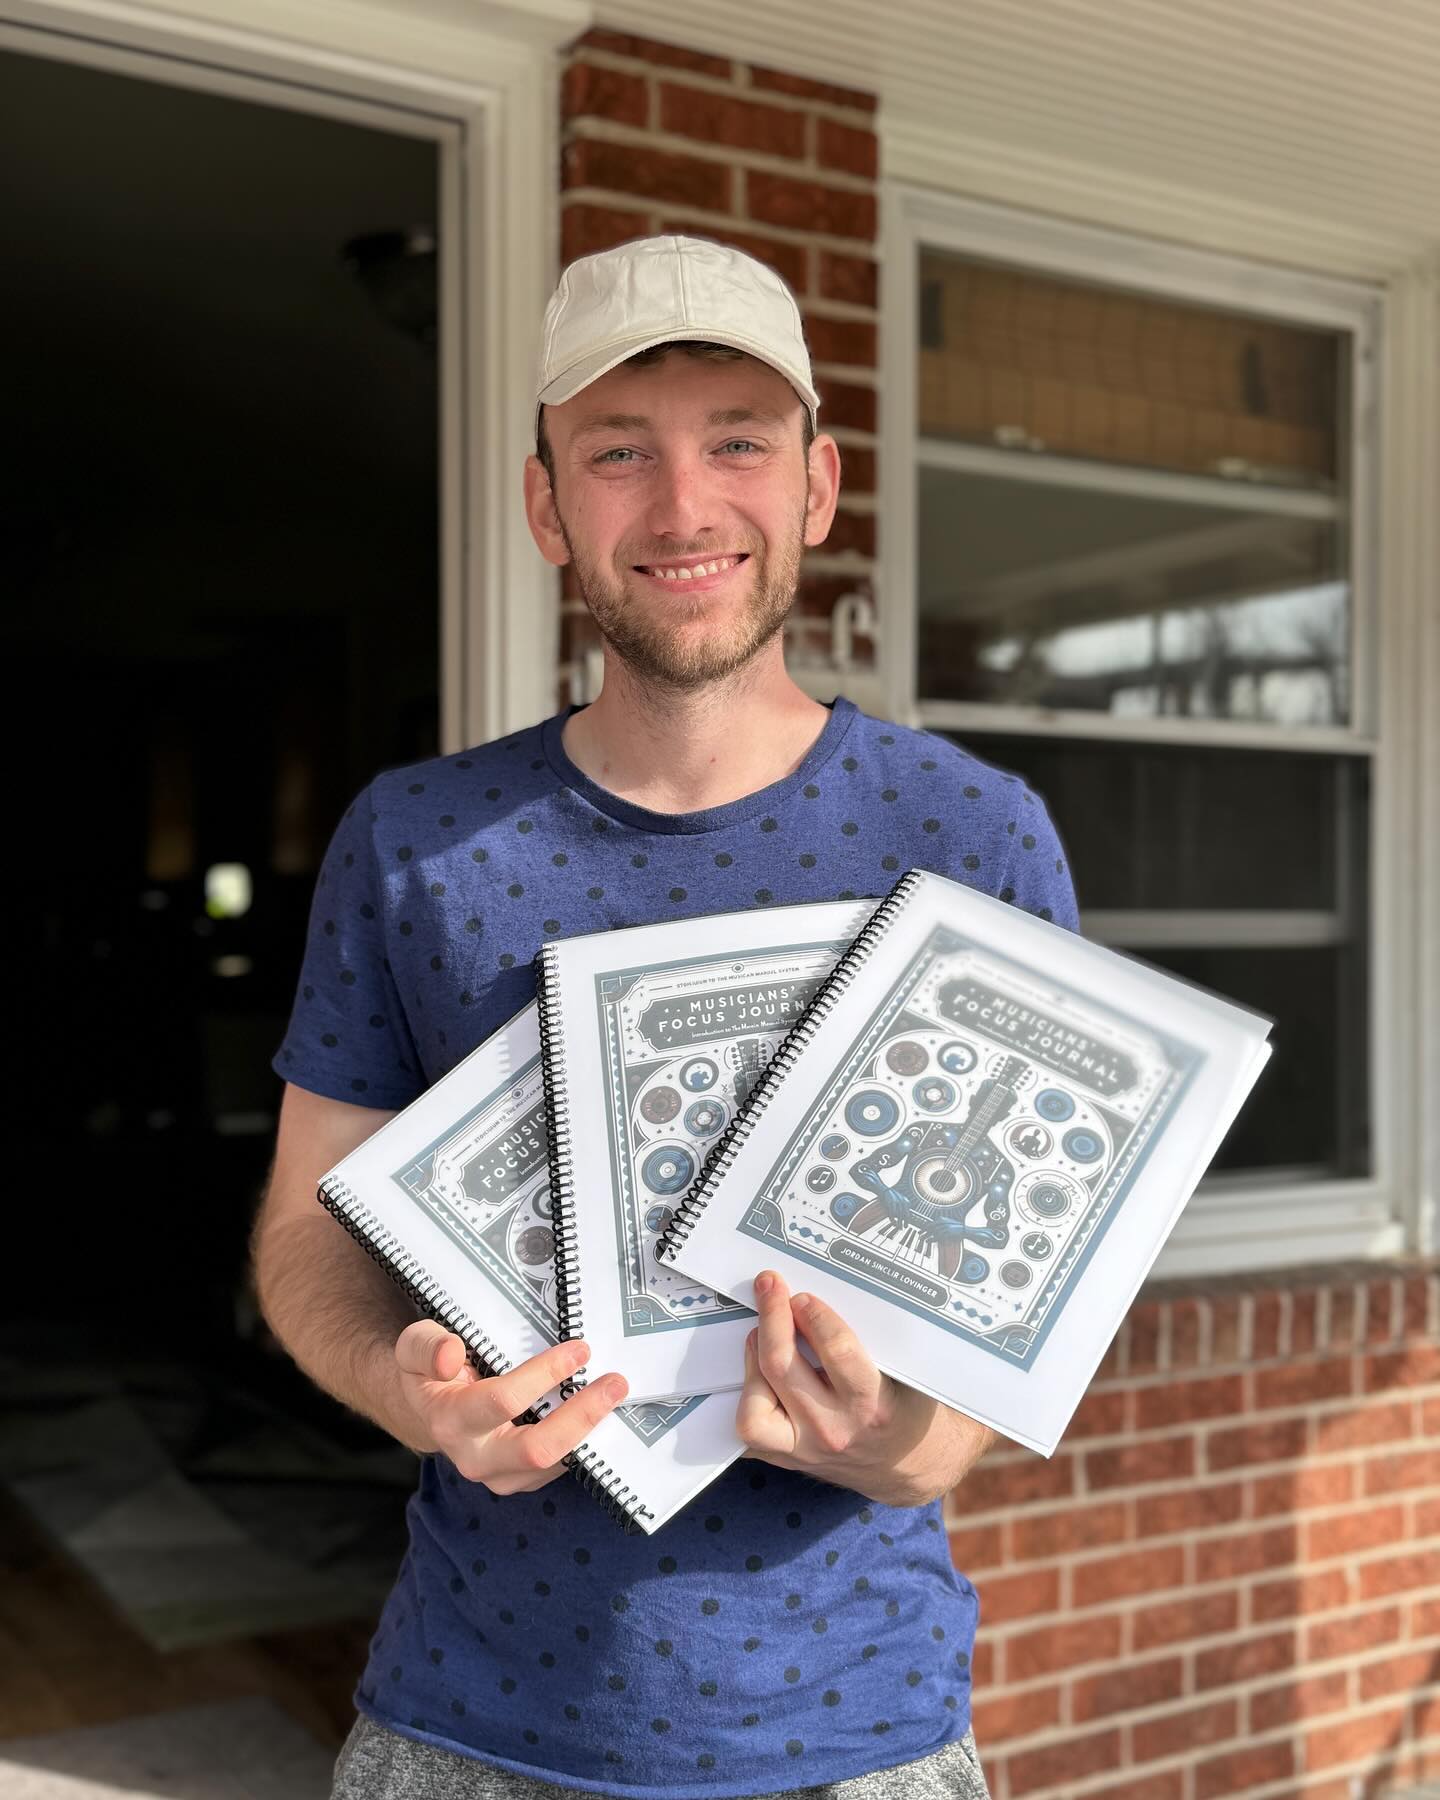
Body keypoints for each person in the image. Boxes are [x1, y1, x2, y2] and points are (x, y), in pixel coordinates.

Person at [255, 234, 1078, 1800]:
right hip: (464, 1730)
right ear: (547, 503)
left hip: (858, 1743)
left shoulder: (973, 840)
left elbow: (972, 1405)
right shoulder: (415, 842)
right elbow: (308, 1237)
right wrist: (406, 1391)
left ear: (818, 489)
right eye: (621, 452)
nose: (686, 507)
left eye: (739, 445)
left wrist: (878, 1438)